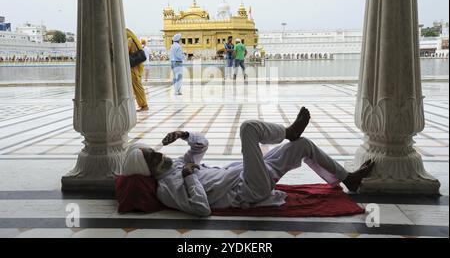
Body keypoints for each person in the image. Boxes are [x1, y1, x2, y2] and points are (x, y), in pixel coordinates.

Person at [122, 107, 374, 217]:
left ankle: (347, 178)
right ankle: (287, 132)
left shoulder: (175, 165)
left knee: (303, 146)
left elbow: (202, 146)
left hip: (250, 173)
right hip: (247, 190)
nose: (158, 154)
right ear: (147, 169)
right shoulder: (167, 189)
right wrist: (190, 179)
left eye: (153, 151)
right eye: (152, 157)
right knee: (248, 129)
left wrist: (183, 134)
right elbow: (201, 209)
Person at [127, 28, 148, 112]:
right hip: (136, 66)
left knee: (137, 85)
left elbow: (124, 51)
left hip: (133, 67)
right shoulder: (133, 40)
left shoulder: (129, 40)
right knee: (136, 85)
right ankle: (142, 104)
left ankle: (144, 105)